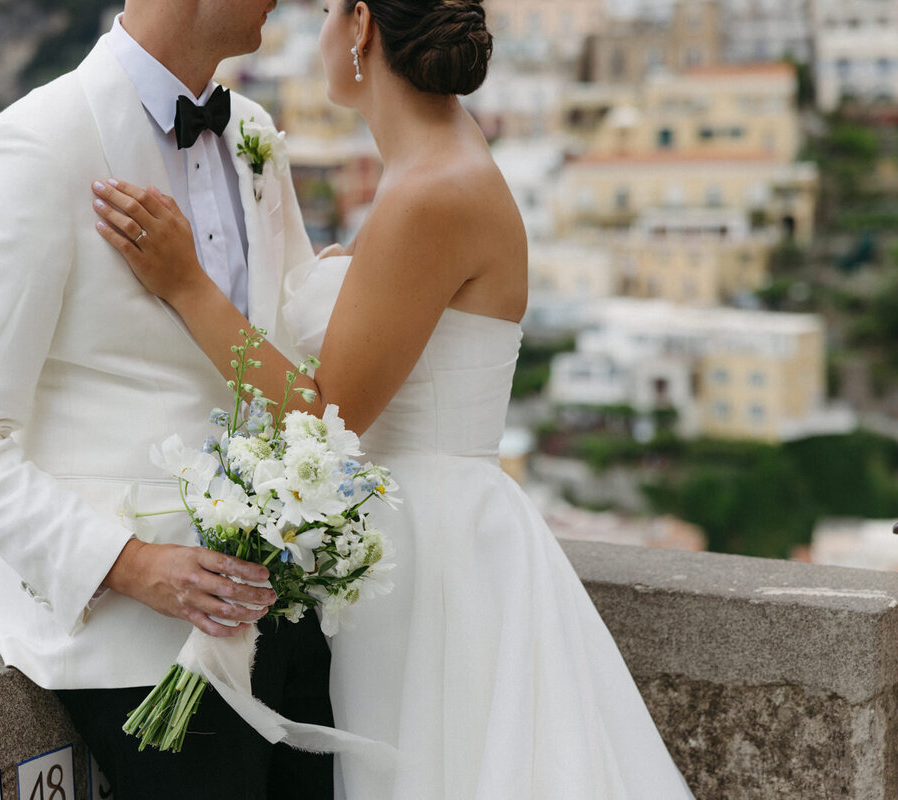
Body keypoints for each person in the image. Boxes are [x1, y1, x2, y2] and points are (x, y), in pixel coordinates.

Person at [88, 0, 698, 796]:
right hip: (431, 538)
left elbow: (323, 413)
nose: (309, 27)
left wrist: (186, 284)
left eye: (329, 10)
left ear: (363, 26)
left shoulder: (431, 193)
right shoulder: (438, 170)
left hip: (435, 556)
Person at [0, 1, 338, 798]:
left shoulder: (253, 132)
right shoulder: (36, 144)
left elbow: (283, 349)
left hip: (288, 615)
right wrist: (131, 565)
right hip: (139, 652)